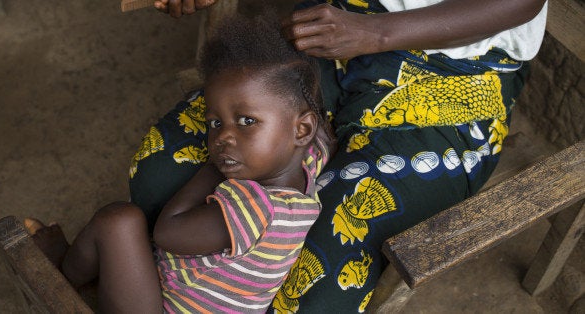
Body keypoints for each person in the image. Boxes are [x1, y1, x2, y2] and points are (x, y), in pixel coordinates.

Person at [133, 0, 549, 312]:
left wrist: (378, 34)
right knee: (159, 174)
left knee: (319, 276)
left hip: (460, 69)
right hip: (339, 17)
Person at [29, 12, 334, 313]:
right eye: (215, 123)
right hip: (177, 294)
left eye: (246, 120)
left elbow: (167, 233)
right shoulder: (306, 164)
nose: (223, 138)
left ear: (301, 129)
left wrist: (214, 168)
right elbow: (322, 138)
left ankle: (61, 274)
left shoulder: (258, 210)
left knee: (119, 221)